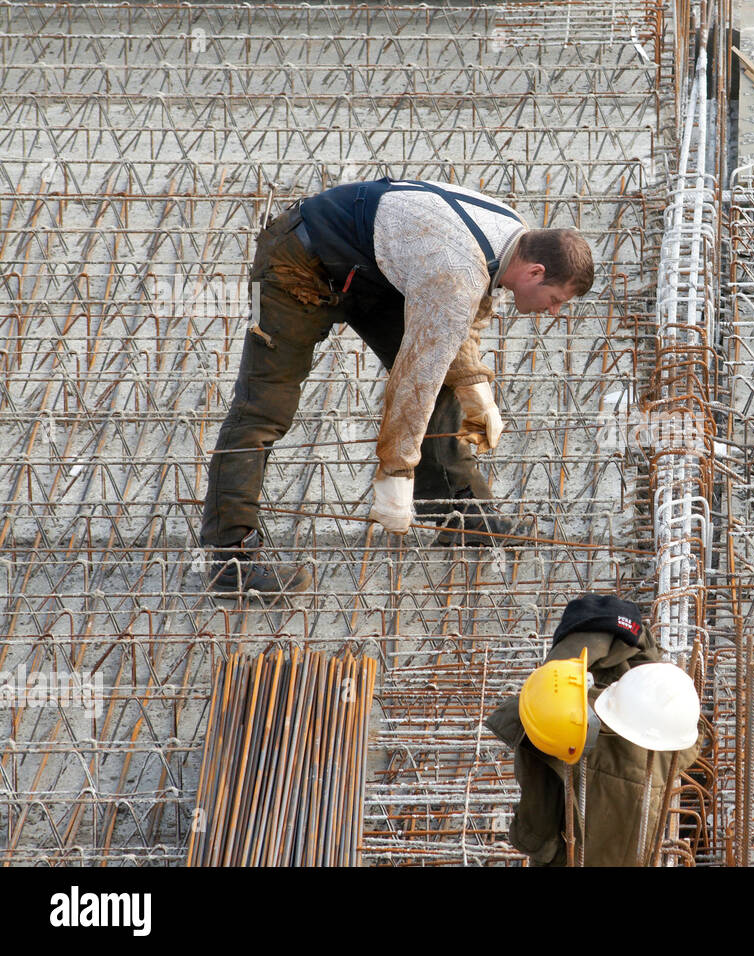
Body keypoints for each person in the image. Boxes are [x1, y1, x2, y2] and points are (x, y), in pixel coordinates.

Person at [199, 178, 594, 596]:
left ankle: (458, 512)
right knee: (263, 409)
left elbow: (460, 322)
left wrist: (474, 386)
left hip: (373, 271)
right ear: (535, 272)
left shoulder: (514, 235)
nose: (553, 312)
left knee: (442, 375)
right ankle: (230, 558)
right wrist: (395, 470)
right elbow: (416, 374)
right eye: (556, 299)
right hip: (298, 264)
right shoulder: (458, 268)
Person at [486, 594, 704, 867]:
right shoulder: (663, 693)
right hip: (648, 848)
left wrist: (537, 848)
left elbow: (538, 815)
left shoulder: (549, 709)